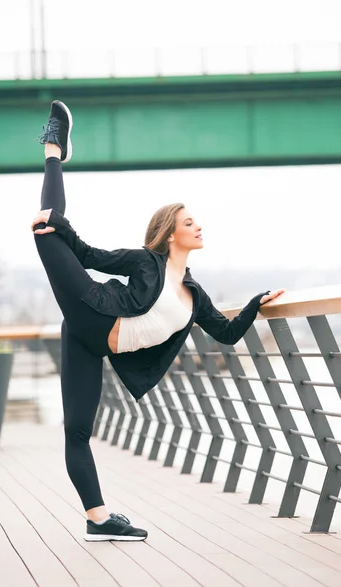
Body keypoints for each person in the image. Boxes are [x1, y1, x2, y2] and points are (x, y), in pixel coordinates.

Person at [31, 100, 285, 543]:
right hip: (90, 305)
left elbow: (226, 335)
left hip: (91, 344)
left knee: (77, 432)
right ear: (172, 233)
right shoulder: (146, 262)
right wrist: (62, 227)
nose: (199, 227)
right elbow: (89, 257)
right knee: (46, 228)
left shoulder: (194, 295)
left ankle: (98, 520)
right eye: (191, 222)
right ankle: (54, 148)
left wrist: (255, 303)